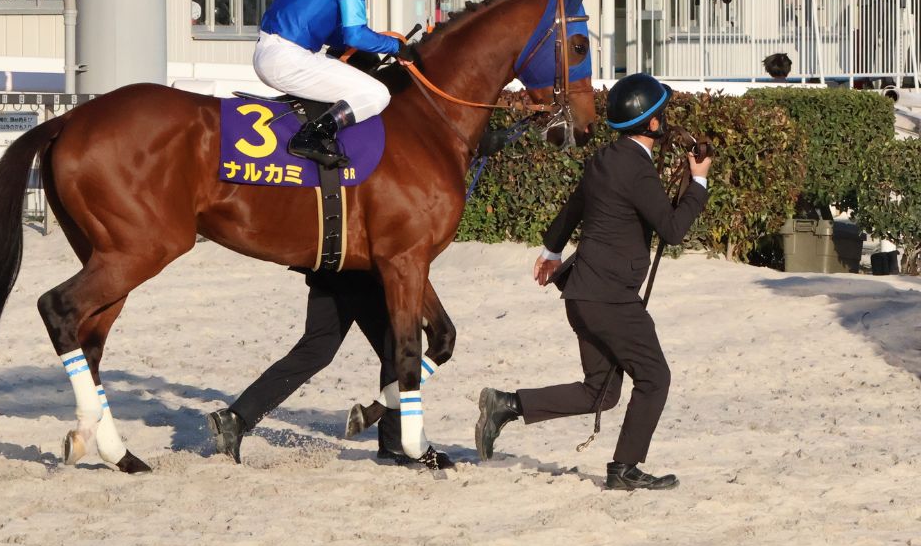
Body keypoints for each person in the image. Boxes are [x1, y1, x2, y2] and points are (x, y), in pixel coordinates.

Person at [474, 73, 712, 491]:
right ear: (652, 125)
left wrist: (551, 252)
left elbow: (574, 206)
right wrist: (699, 182)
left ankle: (507, 405)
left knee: (600, 393)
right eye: (663, 114)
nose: (667, 121)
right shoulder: (637, 169)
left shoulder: (605, 158)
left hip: (581, 294)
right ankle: (624, 468)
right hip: (611, 299)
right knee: (655, 378)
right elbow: (673, 230)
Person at [207, 269, 429, 466]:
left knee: (317, 350)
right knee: (397, 352)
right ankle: (394, 442)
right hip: (359, 273)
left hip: (332, 270)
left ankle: (235, 418)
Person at [254, 0, 406, 169]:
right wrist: (397, 47)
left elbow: (333, 32)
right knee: (378, 94)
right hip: (287, 58)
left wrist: (375, 43)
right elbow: (354, 34)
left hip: (277, 50)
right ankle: (311, 137)